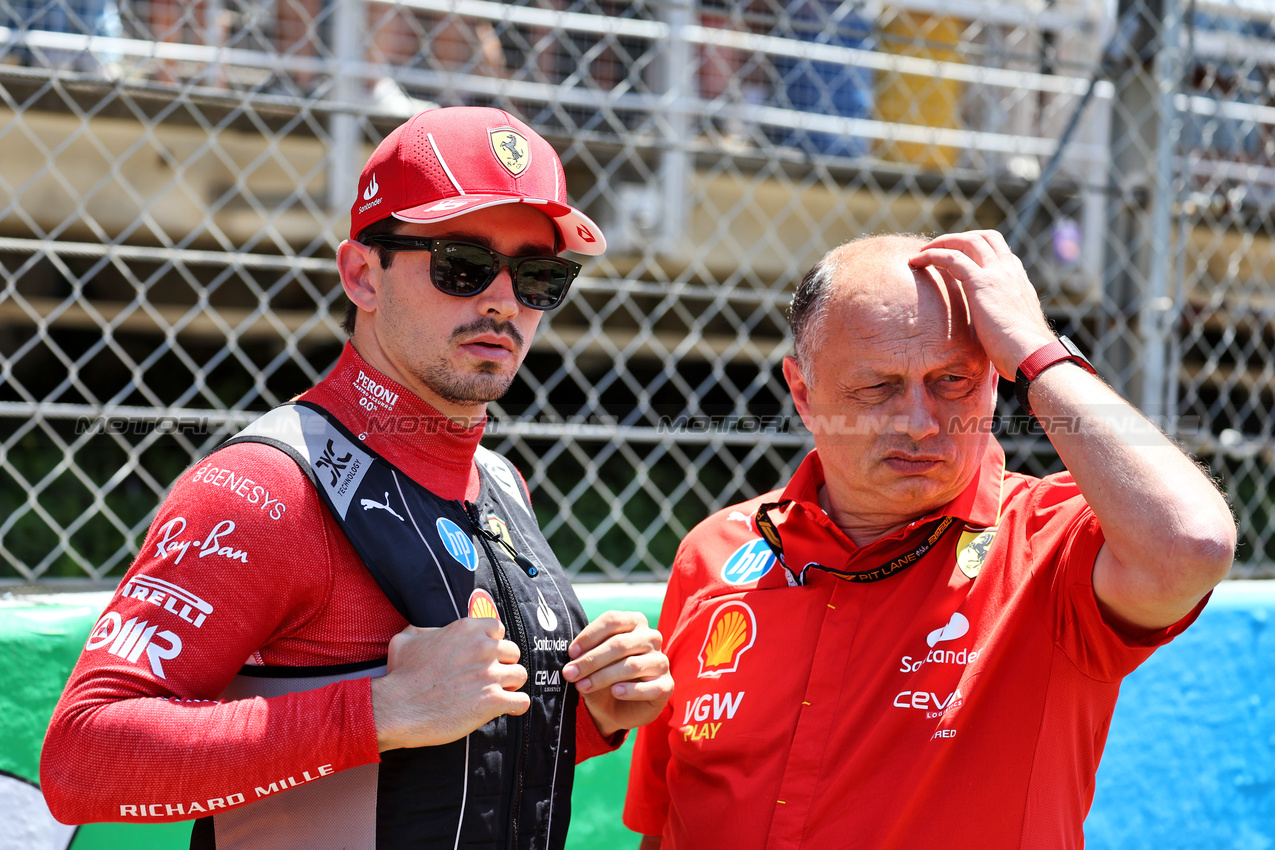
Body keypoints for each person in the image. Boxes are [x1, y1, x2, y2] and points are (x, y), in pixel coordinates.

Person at [41, 106, 672, 850]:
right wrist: (379, 711)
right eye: (462, 265)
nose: (503, 301)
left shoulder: (499, 480)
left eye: (538, 277)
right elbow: (81, 763)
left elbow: (453, 758)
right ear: (361, 276)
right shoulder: (264, 487)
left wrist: (596, 708)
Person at [623, 231, 1235, 849]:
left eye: (952, 382)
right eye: (878, 388)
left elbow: (1192, 544)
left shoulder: (1049, 544)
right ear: (803, 394)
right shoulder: (715, 551)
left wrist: (1036, 347)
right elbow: (667, 818)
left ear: (996, 383)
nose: (919, 423)